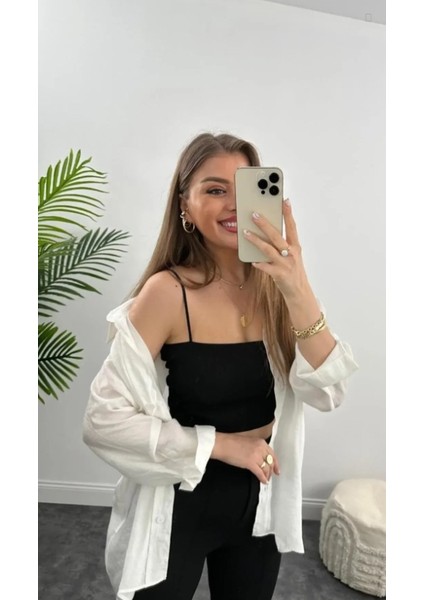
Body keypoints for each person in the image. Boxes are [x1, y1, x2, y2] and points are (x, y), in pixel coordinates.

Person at [83, 132, 358, 600]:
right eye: (215, 190)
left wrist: (298, 287)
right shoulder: (167, 293)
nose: (233, 204)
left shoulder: (280, 291)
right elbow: (102, 421)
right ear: (185, 207)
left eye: (246, 187)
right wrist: (224, 446)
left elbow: (328, 393)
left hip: (261, 499)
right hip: (182, 499)